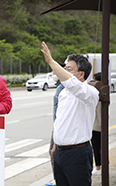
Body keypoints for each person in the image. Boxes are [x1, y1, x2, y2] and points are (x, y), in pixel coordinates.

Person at [41, 42, 99, 186]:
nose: (64, 72)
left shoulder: (89, 92)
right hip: (60, 152)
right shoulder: (63, 93)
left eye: (68, 69)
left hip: (77, 153)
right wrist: (55, 145)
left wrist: (51, 61)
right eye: (64, 68)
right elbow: (60, 121)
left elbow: (72, 83)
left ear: (81, 74)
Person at [47, 63, 65, 186]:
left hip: (60, 126)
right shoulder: (60, 85)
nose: (53, 74)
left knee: (54, 152)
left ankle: (59, 179)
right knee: (54, 151)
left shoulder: (63, 86)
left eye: (54, 71)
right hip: (58, 125)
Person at [90, 72, 102, 175]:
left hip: (95, 125)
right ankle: (102, 165)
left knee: (96, 147)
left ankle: (98, 167)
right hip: (100, 125)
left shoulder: (95, 94)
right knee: (101, 146)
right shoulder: (103, 92)